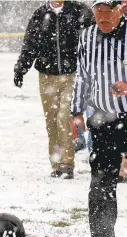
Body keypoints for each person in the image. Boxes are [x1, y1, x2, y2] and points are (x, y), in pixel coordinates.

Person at [71, 0, 127, 237]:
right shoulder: (87, 37)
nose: (103, 18)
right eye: (98, 12)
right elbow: (82, 75)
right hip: (102, 122)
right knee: (101, 187)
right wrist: (76, 111)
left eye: (108, 12)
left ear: (121, 10)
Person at [14, 0, 94, 179]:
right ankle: (56, 164)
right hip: (47, 75)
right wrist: (21, 68)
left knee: (64, 117)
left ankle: (66, 164)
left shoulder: (80, 11)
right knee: (51, 120)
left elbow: (94, 40)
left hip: (73, 74)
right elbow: (30, 44)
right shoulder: (40, 14)